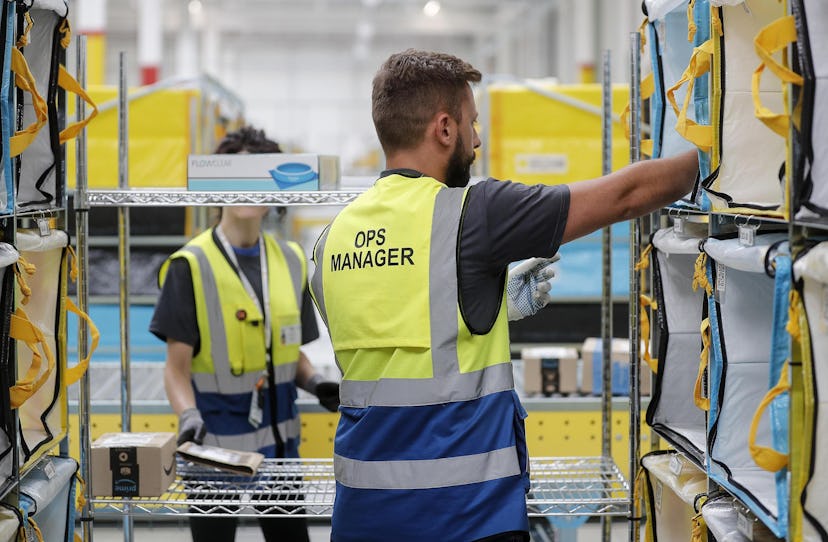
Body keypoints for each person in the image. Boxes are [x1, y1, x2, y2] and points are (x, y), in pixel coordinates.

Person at [308, 49, 699, 542]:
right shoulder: (474, 212)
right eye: (472, 124)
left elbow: (398, 334)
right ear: (444, 128)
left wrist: (488, 310)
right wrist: (720, 150)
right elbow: (625, 196)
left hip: (363, 516)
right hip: (467, 517)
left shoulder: (330, 240)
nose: (477, 139)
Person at [150, 126, 340, 542]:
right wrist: (188, 416)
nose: (248, 188)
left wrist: (317, 381)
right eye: (238, 174)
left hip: (282, 449)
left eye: (259, 175)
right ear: (218, 183)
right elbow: (176, 369)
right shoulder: (191, 266)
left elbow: (291, 355)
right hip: (215, 449)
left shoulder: (290, 260)